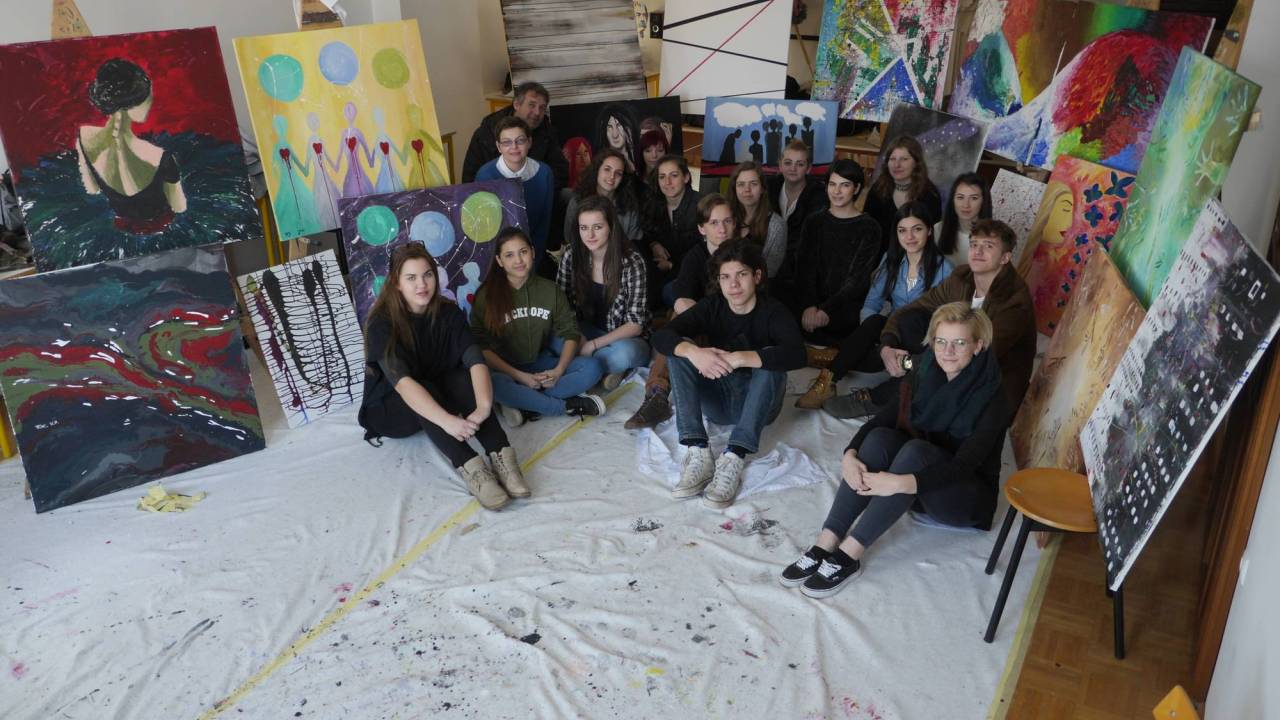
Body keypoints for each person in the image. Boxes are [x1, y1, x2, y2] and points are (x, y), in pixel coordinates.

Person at [779, 303, 1010, 598]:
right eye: (941, 341)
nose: (947, 351)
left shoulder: (993, 395)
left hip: (962, 497)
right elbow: (882, 419)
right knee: (879, 438)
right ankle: (825, 543)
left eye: (959, 343)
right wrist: (850, 455)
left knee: (915, 451)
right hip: (914, 484)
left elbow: (964, 466)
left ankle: (849, 555)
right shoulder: (924, 370)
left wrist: (899, 483)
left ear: (978, 345)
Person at [358, 243, 524, 511]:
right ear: (397, 283)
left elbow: (475, 360)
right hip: (392, 409)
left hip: (434, 387)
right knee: (425, 388)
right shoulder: (382, 323)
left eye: (427, 275)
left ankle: (501, 454)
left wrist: (483, 408)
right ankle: (472, 468)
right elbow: (404, 385)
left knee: (461, 378)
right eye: (411, 278)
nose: (422, 284)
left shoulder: (448, 311)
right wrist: (448, 422)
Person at [652, 241, 806, 509]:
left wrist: (741, 358)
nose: (733, 284)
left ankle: (734, 455)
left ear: (757, 276)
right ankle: (698, 451)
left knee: (771, 360)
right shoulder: (712, 305)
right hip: (719, 402)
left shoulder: (773, 311)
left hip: (759, 404)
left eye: (741, 274)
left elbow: (798, 354)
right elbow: (662, 336)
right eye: (725, 277)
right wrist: (694, 352)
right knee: (681, 350)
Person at [828, 219, 1035, 418]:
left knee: (934, 365)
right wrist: (887, 347)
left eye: (988, 246)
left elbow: (977, 355)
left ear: (1005, 257)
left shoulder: (1015, 300)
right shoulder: (962, 277)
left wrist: (913, 363)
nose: (977, 251)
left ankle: (874, 399)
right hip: (951, 356)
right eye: (974, 244)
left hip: (987, 378)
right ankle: (837, 374)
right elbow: (912, 308)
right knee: (910, 320)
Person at [797, 202, 953, 409]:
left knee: (867, 357)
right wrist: (872, 338)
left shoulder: (945, 269)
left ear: (929, 231)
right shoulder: (892, 259)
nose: (909, 237)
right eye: (902, 230)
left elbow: (947, 322)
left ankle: (833, 356)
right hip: (891, 335)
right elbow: (872, 302)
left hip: (920, 344)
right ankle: (827, 382)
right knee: (875, 323)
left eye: (917, 229)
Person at [471, 228, 606, 424]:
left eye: (523, 252)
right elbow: (480, 346)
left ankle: (525, 402)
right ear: (499, 261)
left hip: (541, 364)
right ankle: (565, 406)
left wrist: (559, 370)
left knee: (593, 367)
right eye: (509, 255)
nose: (518, 260)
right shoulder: (486, 296)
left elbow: (571, 332)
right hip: (504, 370)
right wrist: (520, 376)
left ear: (533, 252)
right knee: (491, 384)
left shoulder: (550, 290)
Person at [625, 194, 737, 430]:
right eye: (714, 223)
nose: (722, 229)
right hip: (702, 327)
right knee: (678, 321)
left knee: (682, 323)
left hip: (736, 329)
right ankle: (657, 395)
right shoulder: (695, 256)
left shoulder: (746, 255)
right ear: (702, 229)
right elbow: (681, 299)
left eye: (727, 221)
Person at [77, 58, 186, 234]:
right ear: (132, 104)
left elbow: (92, 189)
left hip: (119, 230)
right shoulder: (160, 157)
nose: (151, 100)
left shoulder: (83, 137)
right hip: (164, 232)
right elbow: (179, 207)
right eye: (148, 96)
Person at [786, 159, 884, 347]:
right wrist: (809, 306)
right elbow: (804, 270)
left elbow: (857, 280)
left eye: (844, 185)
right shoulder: (814, 222)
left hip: (845, 306)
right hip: (810, 305)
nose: (837, 191)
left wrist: (826, 310)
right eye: (832, 184)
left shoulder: (870, 227)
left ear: (856, 188)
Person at [557, 195, 651, 389]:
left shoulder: (632, 262)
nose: (590, 235)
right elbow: (561, 307)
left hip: (623, 338)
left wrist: (592, 345)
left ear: (611, 227)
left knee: (625, 355)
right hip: (584, 330)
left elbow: (635, 325)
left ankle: (583, 368)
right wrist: (578, 337)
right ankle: (600, 370)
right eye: (584, 228)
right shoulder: (571, 255)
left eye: (597, 227)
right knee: (552, 338)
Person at [475, 117, 554, 261]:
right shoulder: (485, 175)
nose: (514, 147)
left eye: (520, 141)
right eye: (507, 142)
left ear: (529, 142)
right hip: (498, 256)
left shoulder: (544, 173)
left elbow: (544, 223)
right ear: (498, 147)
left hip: (533, 252)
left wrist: (532, 258)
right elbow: (485, 227)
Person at [462, 81, 568, 188]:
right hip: (495, 194)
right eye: (531, 105)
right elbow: (470, 177)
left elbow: (560, 172)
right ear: (517, 105)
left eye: (542, 107)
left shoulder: (548, 132)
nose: (537, 112)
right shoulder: (487, 131)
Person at [767, 140, 829, 283]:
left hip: (801, 264)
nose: (793, 168)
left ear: (808, 168)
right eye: (788, 163)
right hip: (769, 257)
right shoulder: (769, 187)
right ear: (780, 165)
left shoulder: (819, 196)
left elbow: (809, 240)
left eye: (800, 164)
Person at [641, 154, 701, 303]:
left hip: (691, 271)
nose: (667, 182)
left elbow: (704, 249)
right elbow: (646, 230)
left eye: (674, 175)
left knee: (669, 293)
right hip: (661, 266)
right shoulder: (653, 202)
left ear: (686, 177)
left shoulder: (700, 205)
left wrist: (672, 265)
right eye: (662, 177)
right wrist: (653, 243)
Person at [864, 135, 942, 245]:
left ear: (916, 163)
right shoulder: (878, 190)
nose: (896, 165)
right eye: (892, 159)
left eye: (904, 159)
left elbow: (932, 237)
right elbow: (867, 229)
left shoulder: (930, 194)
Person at [563, 149, 644, 249]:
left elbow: (633, 242)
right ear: (597, 170)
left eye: (618, 173)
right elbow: (570, 239)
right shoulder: (577, 202)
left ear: (623, 178)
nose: (612, 176)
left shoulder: (629, 205)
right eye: (607, 169)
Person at [728, 161, 787, 277]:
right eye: (741, 184)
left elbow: (769, 272)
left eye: (753, 184)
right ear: (734, 189)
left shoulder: (777, 226)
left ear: (762, 189)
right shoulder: (726, 217)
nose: (747, 189)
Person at [935, 172, 991, 267]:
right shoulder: (937, 229)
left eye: (974, 198)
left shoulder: (994, 237)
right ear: (953, 200)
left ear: (984, 201)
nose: (966, 205)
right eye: (960, 197)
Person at [595, 103, 641, 173]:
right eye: (609, 127)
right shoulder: (600, 162)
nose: (615, 134)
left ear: (628, 127)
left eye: (618, 125)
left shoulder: (640, 156)